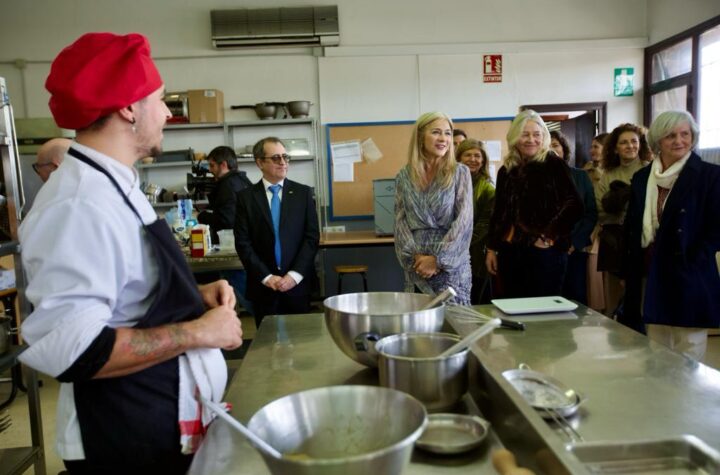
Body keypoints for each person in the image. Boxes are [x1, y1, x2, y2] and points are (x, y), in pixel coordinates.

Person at [17, 33, 243, 475]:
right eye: (159, 100)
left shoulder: (114, 184)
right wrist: (200, 332)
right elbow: (75, 349)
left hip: (158, 422)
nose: (166, 113)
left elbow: (124, 293)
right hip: (124, 439)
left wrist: (192, 294)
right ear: (127, 108)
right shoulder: (78, 203)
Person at [623, 111, 720, 359]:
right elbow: (632, 226)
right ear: (658, 141)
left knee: (688, 347)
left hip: (689, 271)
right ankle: (660, 396)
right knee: (655, 345)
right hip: (651, 270)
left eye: (685, 134)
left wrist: (696, 256)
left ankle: (687, 399)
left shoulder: (710, 176)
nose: (679, 141)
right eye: (670, 136)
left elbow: (717, 227)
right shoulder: (642, 177)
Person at [486, 110, 583, 298]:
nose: (531, 140)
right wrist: (491, 247)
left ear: (543, 137)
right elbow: (499, 212)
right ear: (515, 137)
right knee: (512, 307)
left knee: (543, 314)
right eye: (525, 134)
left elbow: (575, 205)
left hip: (545, 253)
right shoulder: (507, 170)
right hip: (510, 251)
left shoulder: (554, 164)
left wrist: (548, 234)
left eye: (537, 134)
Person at [234, 137, 319, 329]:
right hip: (263, 287)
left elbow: (311, 238)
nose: (283, 162)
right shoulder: (245, 198)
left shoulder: (303, 194)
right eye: (275, 158)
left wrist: (294, 275)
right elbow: (243, 242)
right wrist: (267, 277)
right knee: (267, 348)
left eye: (285, 157)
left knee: (301, 345)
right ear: (259, 162)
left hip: (297, 286)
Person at [394, 112, 473, 304]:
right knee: (419, 326)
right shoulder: (404, 176)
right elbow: (400, 222)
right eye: (436, 132)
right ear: (421, 136)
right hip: (417, 265)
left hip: (450, 267)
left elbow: (464, 222)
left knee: (455, 327)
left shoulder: (460, 172)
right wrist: (415, 257)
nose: (444, 139)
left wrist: (438, 260)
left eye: (447, 133)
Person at [595, 123, 652, 317]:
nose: (630, 146)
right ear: (615, 147)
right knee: (613, 303)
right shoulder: (608, 174)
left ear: (641, 144)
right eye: (624, 142)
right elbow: (599, 211)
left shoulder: (650, 171)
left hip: (642, 243)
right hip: (614, 244)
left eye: (634, 141)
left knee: (641, 301)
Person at [550, 130, 597, 305]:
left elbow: (591, 212)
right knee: (551, 297)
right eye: (546, 145)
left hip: (575, 249)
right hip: (547, 248)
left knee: (576, 297)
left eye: (555, 145)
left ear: (564, 149)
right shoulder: (537, 178)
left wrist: (574, 241)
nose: (551, 149)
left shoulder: (580, 176)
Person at [456, 138, 495, 304]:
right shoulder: (450, 184)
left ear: (483, 160)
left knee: (475, 301)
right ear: (458, 158)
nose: (473, 159)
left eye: (477, 156)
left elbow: (485, 225)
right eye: (468, 155)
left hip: (476, 254)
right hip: (452, 255)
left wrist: (459, 244)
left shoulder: (487, 188)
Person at [197, 145, 252, 244]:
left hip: (233, 242)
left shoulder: (228, 185)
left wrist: (201, 216)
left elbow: (226, 220)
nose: (210, 170)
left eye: (212, 165)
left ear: (223, 165)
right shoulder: (242, 179)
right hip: (246, 239)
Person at [584, 132, 609, 312]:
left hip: (607, 227)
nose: (592, 150)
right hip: (593, 230)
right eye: (591, 146)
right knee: (594, 280)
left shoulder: (610, 172)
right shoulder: (585, 171)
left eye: (596, 146)